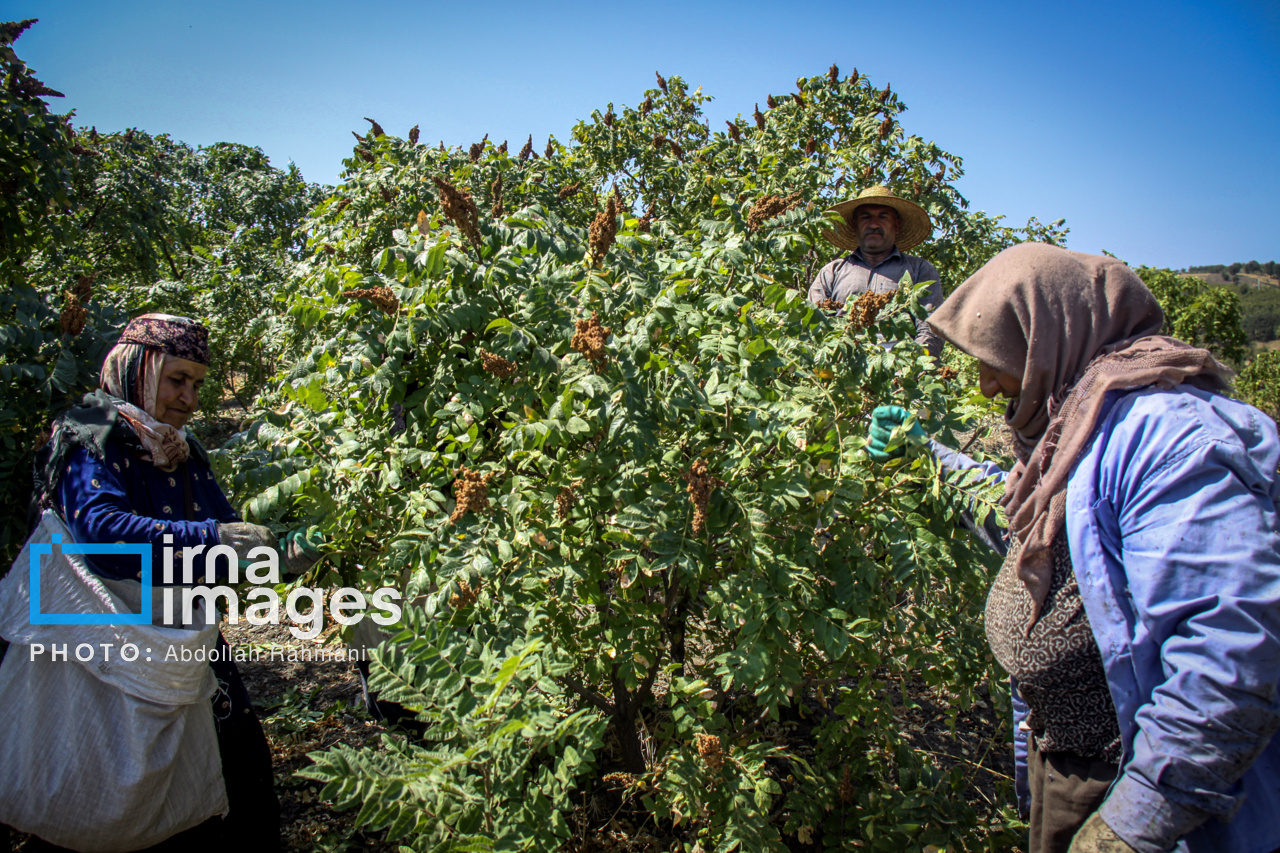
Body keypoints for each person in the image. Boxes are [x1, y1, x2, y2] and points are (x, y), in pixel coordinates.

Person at [871, 243, 1280, 853]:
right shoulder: (1082, 417)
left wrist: (1129, 829)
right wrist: (927, 456)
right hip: (1067, 755)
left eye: (995, 359)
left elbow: (1229, 659)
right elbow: (1029, 517)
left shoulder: (1169, 437)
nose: (985, 385)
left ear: (1047, 338)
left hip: (1136, 788)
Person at [5, 314, 317, 851]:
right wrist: (213, 540)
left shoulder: (181, 448)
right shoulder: (88, 434)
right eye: (177, 379)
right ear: (137, 368)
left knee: (232, 767)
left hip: (179, 632)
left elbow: (224, 527)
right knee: (100, 775)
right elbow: (101, 534)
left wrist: (278, 553)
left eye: (197, 383)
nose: (189, 398)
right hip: (97, 642)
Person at [808, 185, 945, 357]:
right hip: (842, 368)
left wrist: (915, 370)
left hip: (899, 370)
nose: (874, 224)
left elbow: (931, 328)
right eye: (866, 217)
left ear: (896, 225)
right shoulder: (832, 271)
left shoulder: (919, 270)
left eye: (883, 216)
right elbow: (814, 324)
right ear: (855, 225)